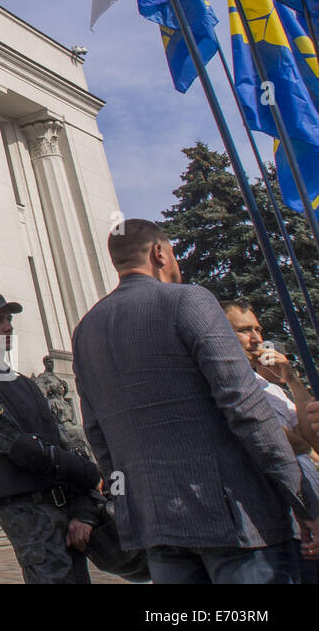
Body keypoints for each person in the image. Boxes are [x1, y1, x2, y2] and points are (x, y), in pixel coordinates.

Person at [72, 219, 319, 584]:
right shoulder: (189, 300)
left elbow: (98, 435)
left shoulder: (86, 330)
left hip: (157, 524)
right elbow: (245, 409)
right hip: (235, 519)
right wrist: (302, 499)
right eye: (172, 254)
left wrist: (127, 507)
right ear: (160, 253)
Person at [0, 293, 103, 583]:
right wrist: (89, 473)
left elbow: (64, 442)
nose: (7, 327)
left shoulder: (25, 384)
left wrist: (84, 510)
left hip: (66, 509)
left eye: (9, 320)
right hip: (28, 511)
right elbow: (20, 448)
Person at [221, 300, 319, 583]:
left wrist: (291, 378)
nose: (257, 339)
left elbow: (311, 439)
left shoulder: (271, 388)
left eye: (258, 329)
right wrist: (304, 445)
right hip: (283, 528)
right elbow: (291, 445)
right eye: (245, 330)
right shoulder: (233, 387)